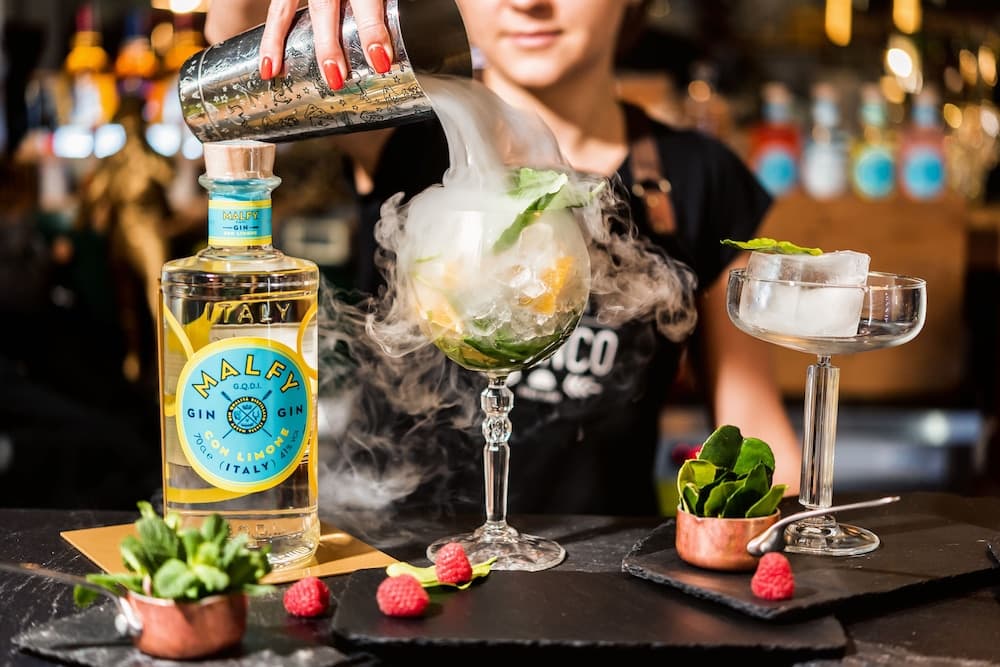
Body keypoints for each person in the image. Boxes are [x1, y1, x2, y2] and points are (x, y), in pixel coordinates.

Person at [204, 0, 802, 516]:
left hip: (603, 576)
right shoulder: (399, 134)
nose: (529, 3)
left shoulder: (698, 178)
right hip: (403, 568)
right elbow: (235, 33)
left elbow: (753, 426)